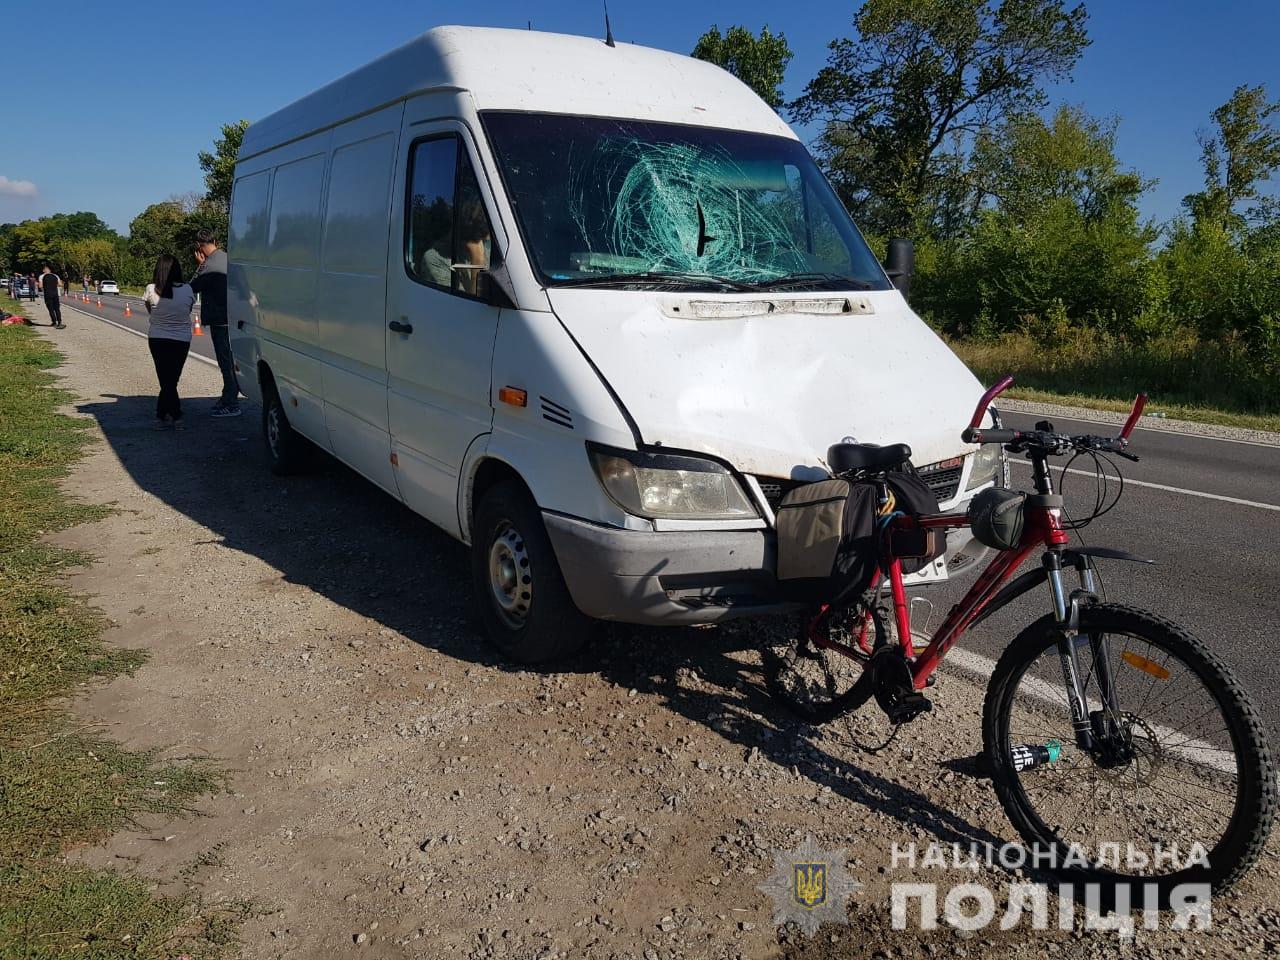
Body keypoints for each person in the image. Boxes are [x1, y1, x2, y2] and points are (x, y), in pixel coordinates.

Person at [190, 230, 239, 417]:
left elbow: (192, 287)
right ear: (215, 241)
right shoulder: (228, 259)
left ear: (198, 246)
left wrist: (200, 266)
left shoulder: (209, 266)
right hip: (234, 319)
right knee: (231, 362)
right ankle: (228, 397)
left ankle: (231, 403)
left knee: (225, 363)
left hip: (220, 321)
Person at [143, 254, 195, 429]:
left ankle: (164, 415)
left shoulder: (151, 289)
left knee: (166, 379)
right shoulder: (187, 289)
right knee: (172, 379)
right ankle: (174, 415)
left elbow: (150, 310)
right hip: (181, 338)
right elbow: (187, 310)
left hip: (157, 337)